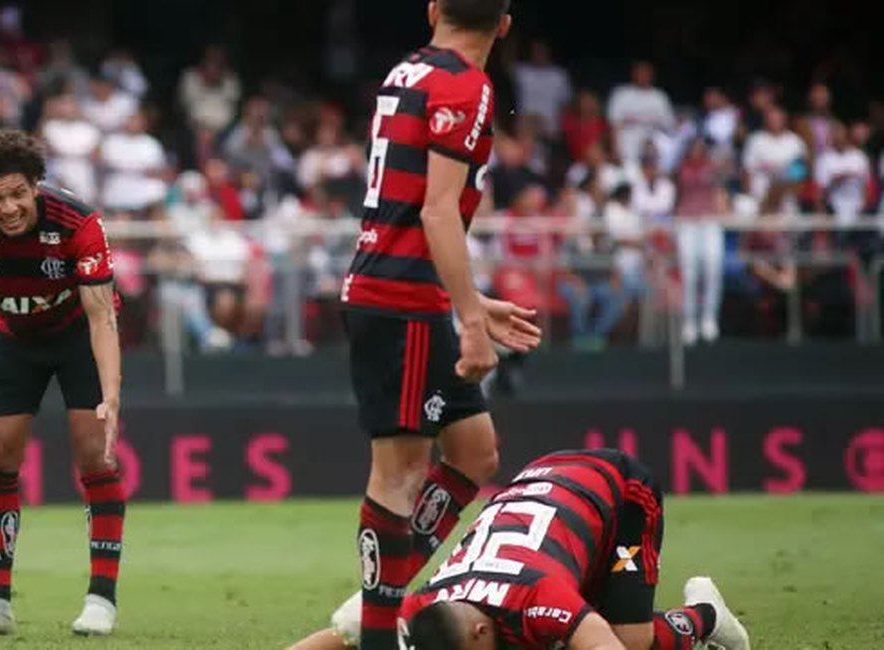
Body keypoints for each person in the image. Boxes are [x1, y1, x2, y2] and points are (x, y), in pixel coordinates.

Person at [336, 1, 541, 647]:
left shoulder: (408, 73)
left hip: (407, 292)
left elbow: (415, 210)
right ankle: (376, 630)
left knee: (475, 453)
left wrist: (470, 301)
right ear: (504, 24)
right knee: (397, 475)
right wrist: (471, 321)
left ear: (433, 10)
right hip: (400, 299)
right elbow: (436, 212)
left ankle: (384, 593)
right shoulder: (465, 85)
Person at [0, 130, 125, 637]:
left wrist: (111, 393)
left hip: (77, 335)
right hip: (13, 337)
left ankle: (101, 598)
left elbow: (102, 318)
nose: (7, 208)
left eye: (16, 193)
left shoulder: (79, 223)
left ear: (36, 185)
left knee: (92, 451)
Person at [290, 449, 751, 650]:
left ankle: (707, 615)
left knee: (630, 640)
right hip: (545, 496)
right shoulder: (429, 604)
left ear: (476, 634)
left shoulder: (539, 596)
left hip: (620, 493)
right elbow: (346, 636)